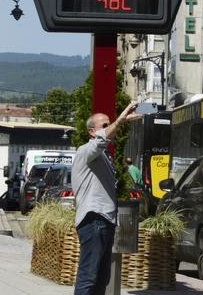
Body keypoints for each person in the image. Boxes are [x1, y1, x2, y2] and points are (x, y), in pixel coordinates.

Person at [72, 102, 138, 295]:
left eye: (110, 123)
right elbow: (102, 141)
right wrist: (120, 121)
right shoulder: (86, 151)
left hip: (104, 221)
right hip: (94, 220)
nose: (109, 127)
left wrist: (120, 123)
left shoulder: (102, 156)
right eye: (104, 125)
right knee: (89, 276)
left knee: (102, 279)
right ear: (92, 132)